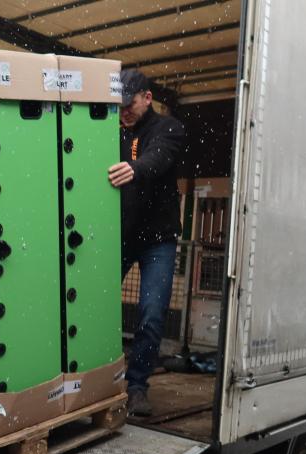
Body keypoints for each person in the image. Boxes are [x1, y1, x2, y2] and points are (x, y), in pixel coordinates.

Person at [107, 70, 186, 417]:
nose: (124, 111)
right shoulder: (111, 133)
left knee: (151, 314)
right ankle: (95, 378)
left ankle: (137, 386)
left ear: (147, 98)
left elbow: (158, 159)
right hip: (122, 235)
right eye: (119, 106)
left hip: (158, 241)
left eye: (130, 104)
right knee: (93, 302)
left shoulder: (169, 129)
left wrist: (135, 168)